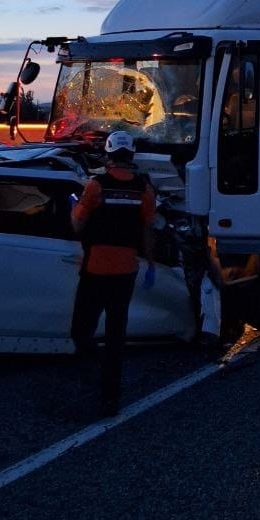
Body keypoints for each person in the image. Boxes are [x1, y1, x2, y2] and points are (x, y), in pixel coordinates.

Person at [69, 130, 156, 416]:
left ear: (108, 155)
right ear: (130, 155)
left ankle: (86, 381)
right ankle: (110, 399)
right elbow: (146, 231)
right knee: (115, 335)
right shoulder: (144, 189)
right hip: (125, 271)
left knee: (82, 329)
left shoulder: (95, 186)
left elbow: (77, 227)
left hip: (95, 269)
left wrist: (75, 208)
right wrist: (151, 263)